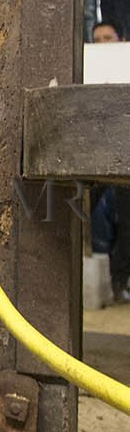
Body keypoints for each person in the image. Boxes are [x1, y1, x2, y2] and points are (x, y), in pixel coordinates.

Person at [89, 18, 130, 299]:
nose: (103, 44)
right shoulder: (88, 67)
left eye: (108, 38)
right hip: (93, 157)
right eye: (98, 39)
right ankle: (107, 281)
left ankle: (121, 279)